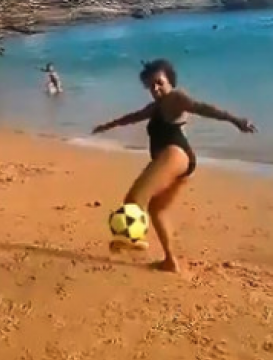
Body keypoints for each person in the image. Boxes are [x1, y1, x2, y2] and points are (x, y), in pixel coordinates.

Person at [91, 58, 256, 273]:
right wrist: (106, 126)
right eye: (151, 86)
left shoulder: (176, 98)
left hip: (175, 154)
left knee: (135, 198)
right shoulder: (155, 107)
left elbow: (203, 108)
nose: (156, 89)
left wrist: (236, 120)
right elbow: (132, 117)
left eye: (160, 83)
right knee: (156, 210)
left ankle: (131, 237)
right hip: (179, 160)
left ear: (170, 81)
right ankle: (170, 261)